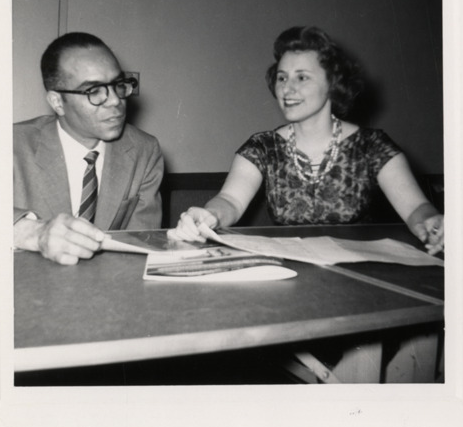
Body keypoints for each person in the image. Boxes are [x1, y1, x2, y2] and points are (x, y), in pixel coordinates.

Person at [171, 26, 444, 255]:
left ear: (333, 83)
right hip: (292, 270)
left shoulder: (372, 146)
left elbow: (416, 209)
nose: (287, 88)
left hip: (364, 271)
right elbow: (229, 200)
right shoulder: (262, 147)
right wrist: (209, 215)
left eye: (302, 77)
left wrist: (432, 223)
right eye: (282, 78)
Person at [14, 32, 164, 265]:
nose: (115, 101)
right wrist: (34, 232)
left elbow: (140, 247)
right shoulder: (8, 146)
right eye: (94, 91)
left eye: (118, 85)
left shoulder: (144, 150)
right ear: (57, 102)